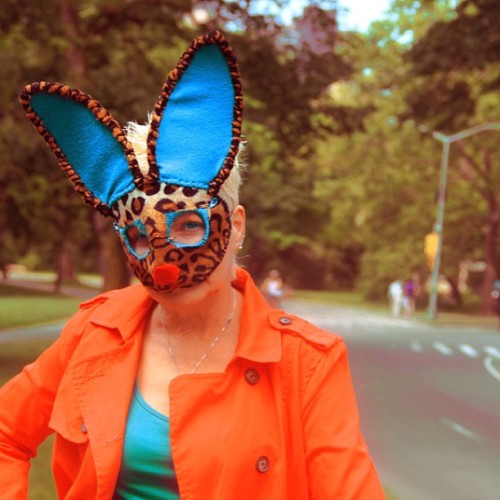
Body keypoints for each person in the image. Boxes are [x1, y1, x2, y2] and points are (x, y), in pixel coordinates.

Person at [0, 31, 384, 498]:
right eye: (141, 236)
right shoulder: (94, 332)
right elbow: (6, 434)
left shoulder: (306, 363)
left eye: (187, 227)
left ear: (236, 225)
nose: (166, 264)